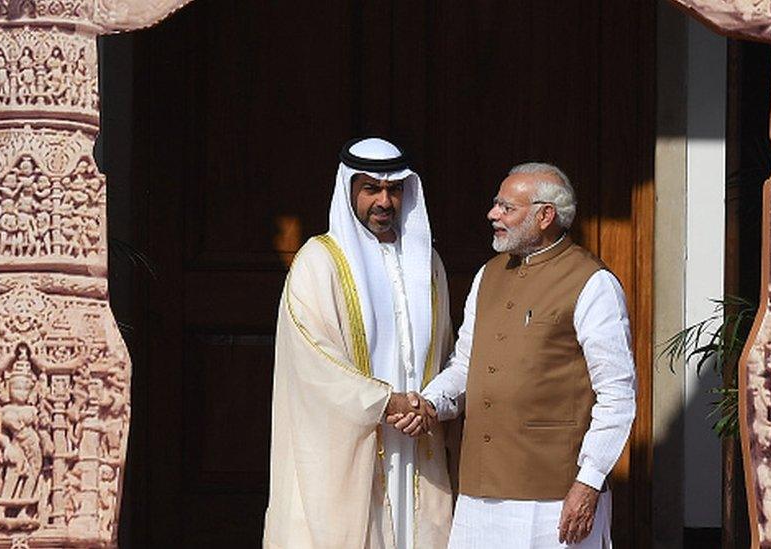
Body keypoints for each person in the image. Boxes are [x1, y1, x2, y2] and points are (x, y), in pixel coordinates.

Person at [413, 162, 636, 548]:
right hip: (479, 489)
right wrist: (431, 403)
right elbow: (466, 364)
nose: (493, 214)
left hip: (553, 495)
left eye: (506, 207)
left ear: (545, 215)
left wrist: (589, 482)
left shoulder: (592, 282)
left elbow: (617, 394)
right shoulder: (488, 274)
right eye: (496, 205)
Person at [263, 138, 454, 549]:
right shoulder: (320, 261)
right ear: (349, 190)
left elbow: (444, 352)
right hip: (352, 448)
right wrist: (386, 402)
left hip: (417, 444)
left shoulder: (427, 263)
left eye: (395, 189)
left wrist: (426, 406)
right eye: (371, 189)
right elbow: (314, 361)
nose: (385, 201)